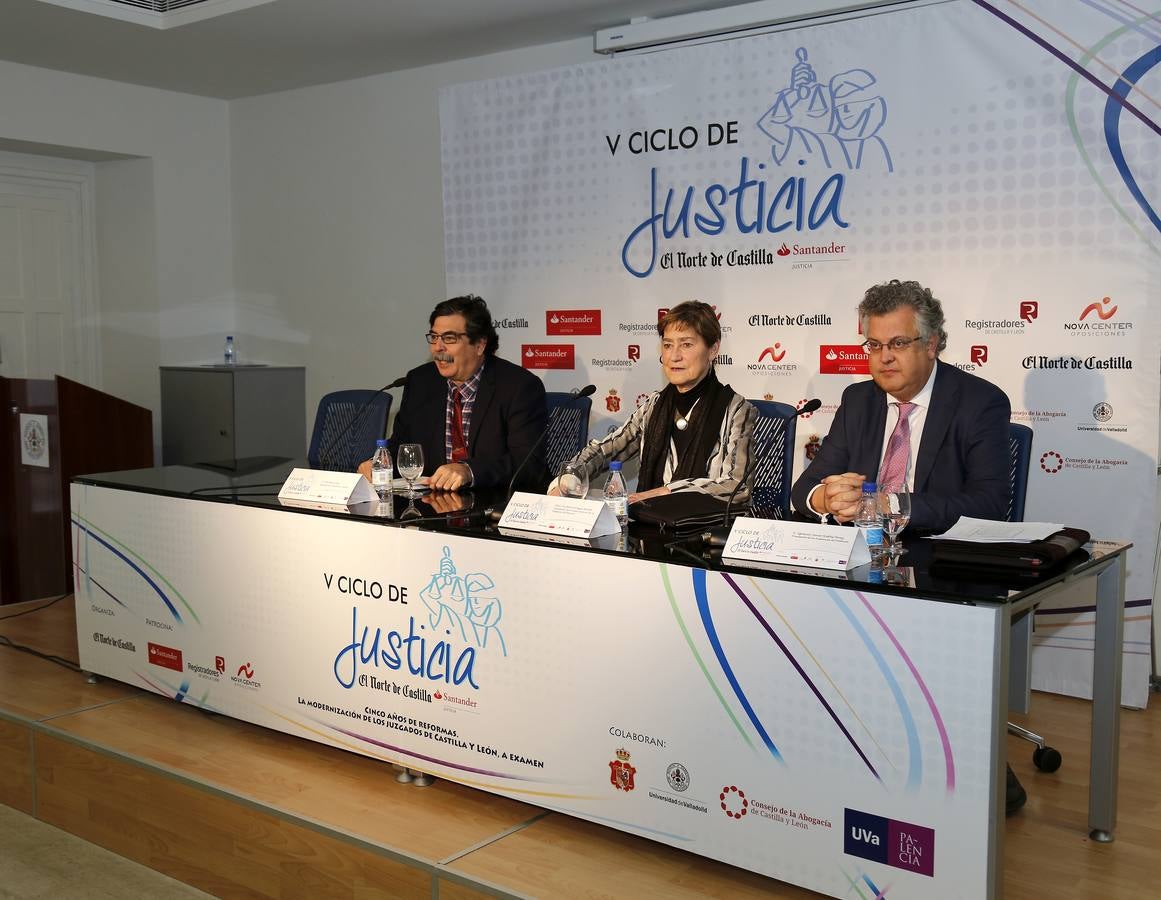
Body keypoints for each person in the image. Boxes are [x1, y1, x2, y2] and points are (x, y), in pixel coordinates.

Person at [791, 279, 1010, 533]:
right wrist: (828, 497)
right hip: (862, 552)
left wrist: (888, 504)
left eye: (898, 343)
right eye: (874, 345)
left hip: (933, 555)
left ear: (930, 344)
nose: (885, 357)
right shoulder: (857, 401)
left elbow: (989, 506)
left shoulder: (979, 402)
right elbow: (805, 488)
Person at [549, 300, 755, 503]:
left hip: (706, 531)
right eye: (667, 345)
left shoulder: (736, 410)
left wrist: (667, 492)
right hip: (649, 524)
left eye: (686, 344)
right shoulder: (654, 405)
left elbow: (736, 487)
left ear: (713, 349)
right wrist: (569, 477)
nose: (674, 356)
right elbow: (607, 449)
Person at [359, 295, 547, 492]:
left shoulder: (518, 387)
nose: (438, 347)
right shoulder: (420, 382)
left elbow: (528, 463)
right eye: (434, 337)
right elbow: (401, 446)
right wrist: (379, 462)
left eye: (449, 338)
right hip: (434, 504)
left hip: (494, 504)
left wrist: (469, 471)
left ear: (479, 345)